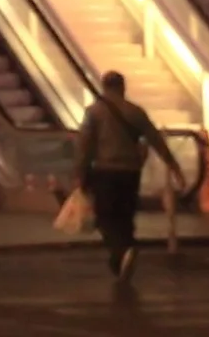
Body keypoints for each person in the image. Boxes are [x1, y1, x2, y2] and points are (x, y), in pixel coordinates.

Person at [75, 68, 187, 279]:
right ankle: (125, 253)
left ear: (104, 87)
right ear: (123, 87)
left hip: (104, 171)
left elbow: (84, 145)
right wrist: (173, 166)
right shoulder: (135, 111)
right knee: (126, 215)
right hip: (130, 172)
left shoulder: (94, 112)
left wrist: (80, 173)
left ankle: (121, 251)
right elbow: (155, 139)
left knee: (105, 216)